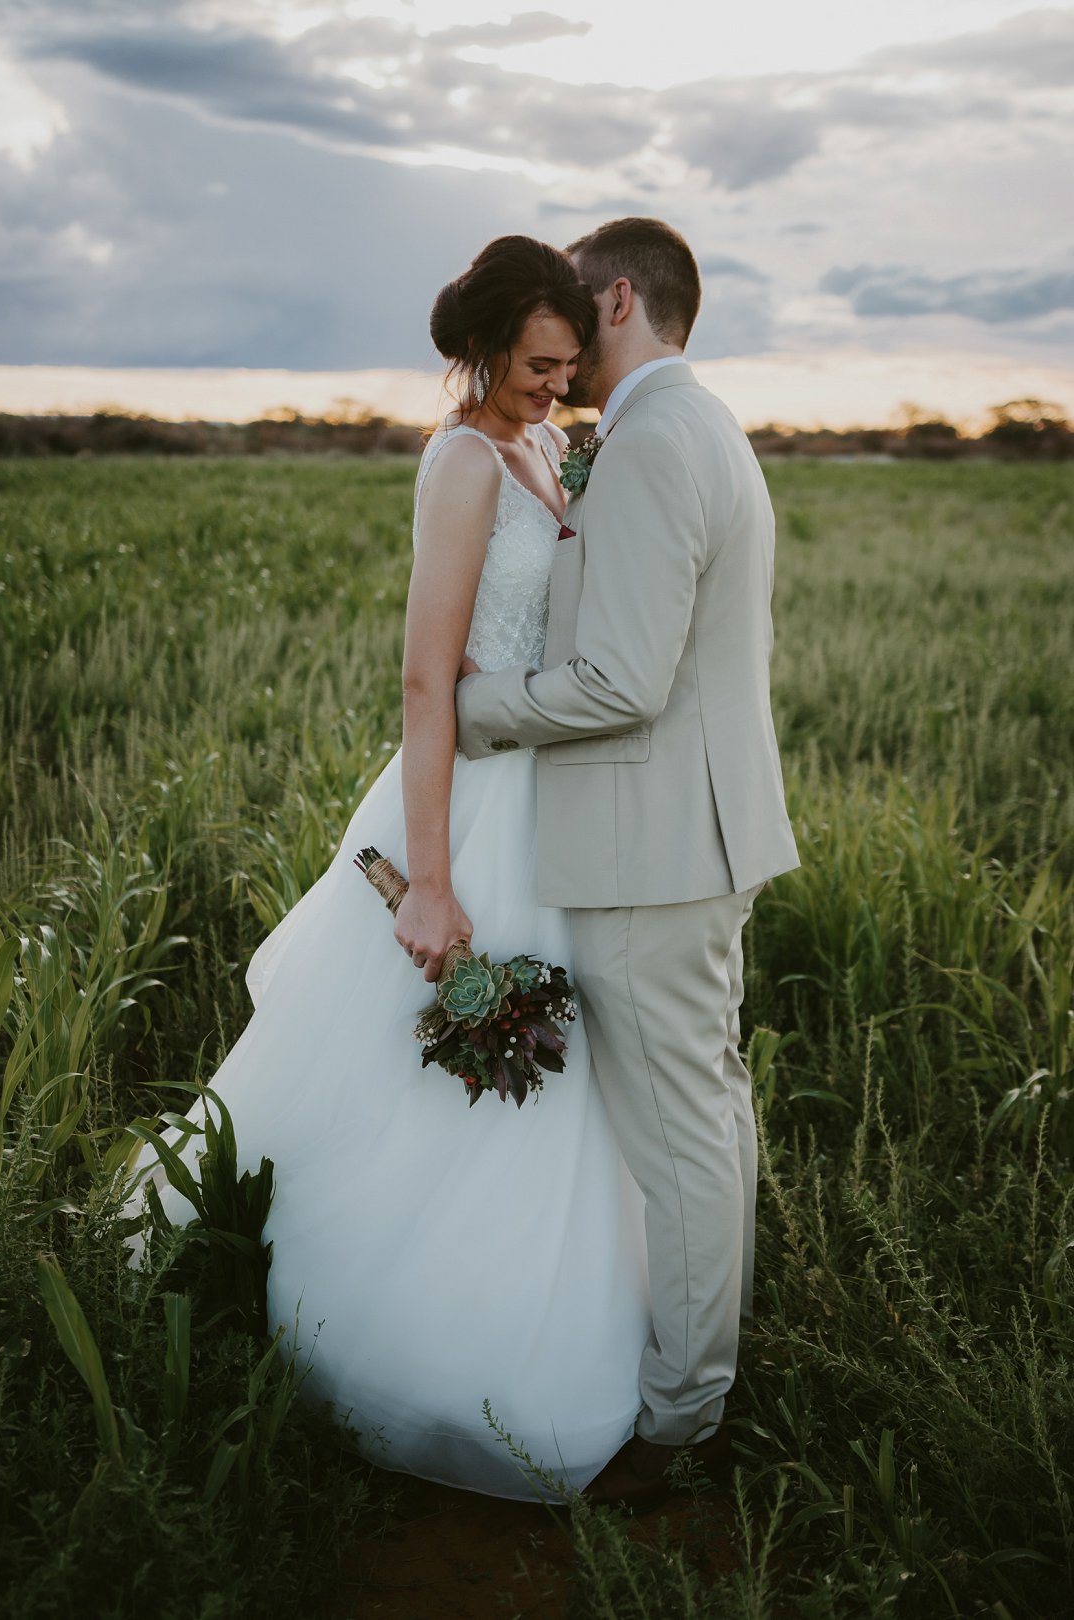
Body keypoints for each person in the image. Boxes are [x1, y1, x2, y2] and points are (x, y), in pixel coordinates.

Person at [131, 235, 651, 1501]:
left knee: (563, 1074)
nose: (554, 384)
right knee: (436, 1057)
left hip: (555, 796)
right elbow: (427, 680)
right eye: (536, 364)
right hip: (472, 805)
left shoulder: (545, 448)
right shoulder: (463, 461)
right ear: (481, 348)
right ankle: (398, 1341)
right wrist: (429, 877)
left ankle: (542, 1302)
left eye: (571, 364)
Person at [455, 217, 800, 1511]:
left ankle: (684, 1429)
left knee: (686, 1140)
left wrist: (469, 711)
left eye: (567, 315)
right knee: (702, 1120)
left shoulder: (655, 440)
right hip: (679, 835)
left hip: (658, 851)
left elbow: (621, 679)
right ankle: (692, 1388)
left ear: (612, 299)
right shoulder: (689, 426)